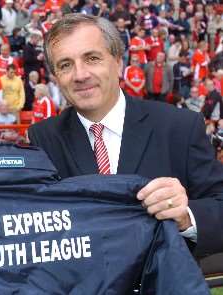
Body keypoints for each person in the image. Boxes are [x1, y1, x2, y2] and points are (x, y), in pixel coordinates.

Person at [27, 14, 223, 258]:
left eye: (92, 58)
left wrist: (185, 216)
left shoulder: (179, 126)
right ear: (55, 76)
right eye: (65, 65)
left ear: (118, 62)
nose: (80, 74)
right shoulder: (42, 137)